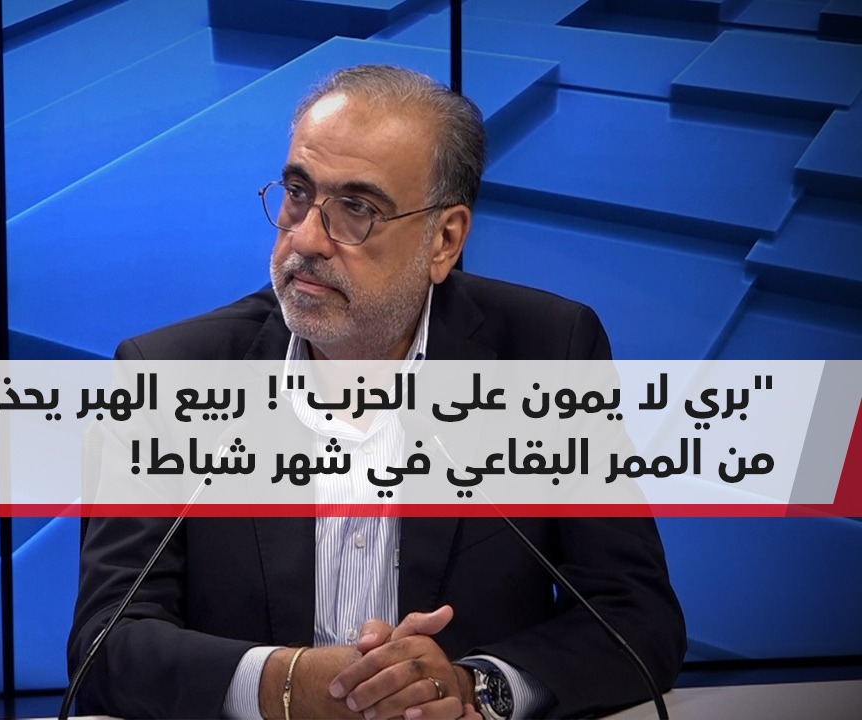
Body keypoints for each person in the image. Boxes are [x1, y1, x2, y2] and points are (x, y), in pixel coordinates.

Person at [69, 65, 686, 719]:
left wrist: (475, 689)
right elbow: (106, 646)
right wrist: (287, 685)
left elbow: (635, 617)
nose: (306, 239)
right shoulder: (171, 377)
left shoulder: (545, 354)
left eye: (357, 209)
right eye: (298, 193)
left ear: (444, 240)